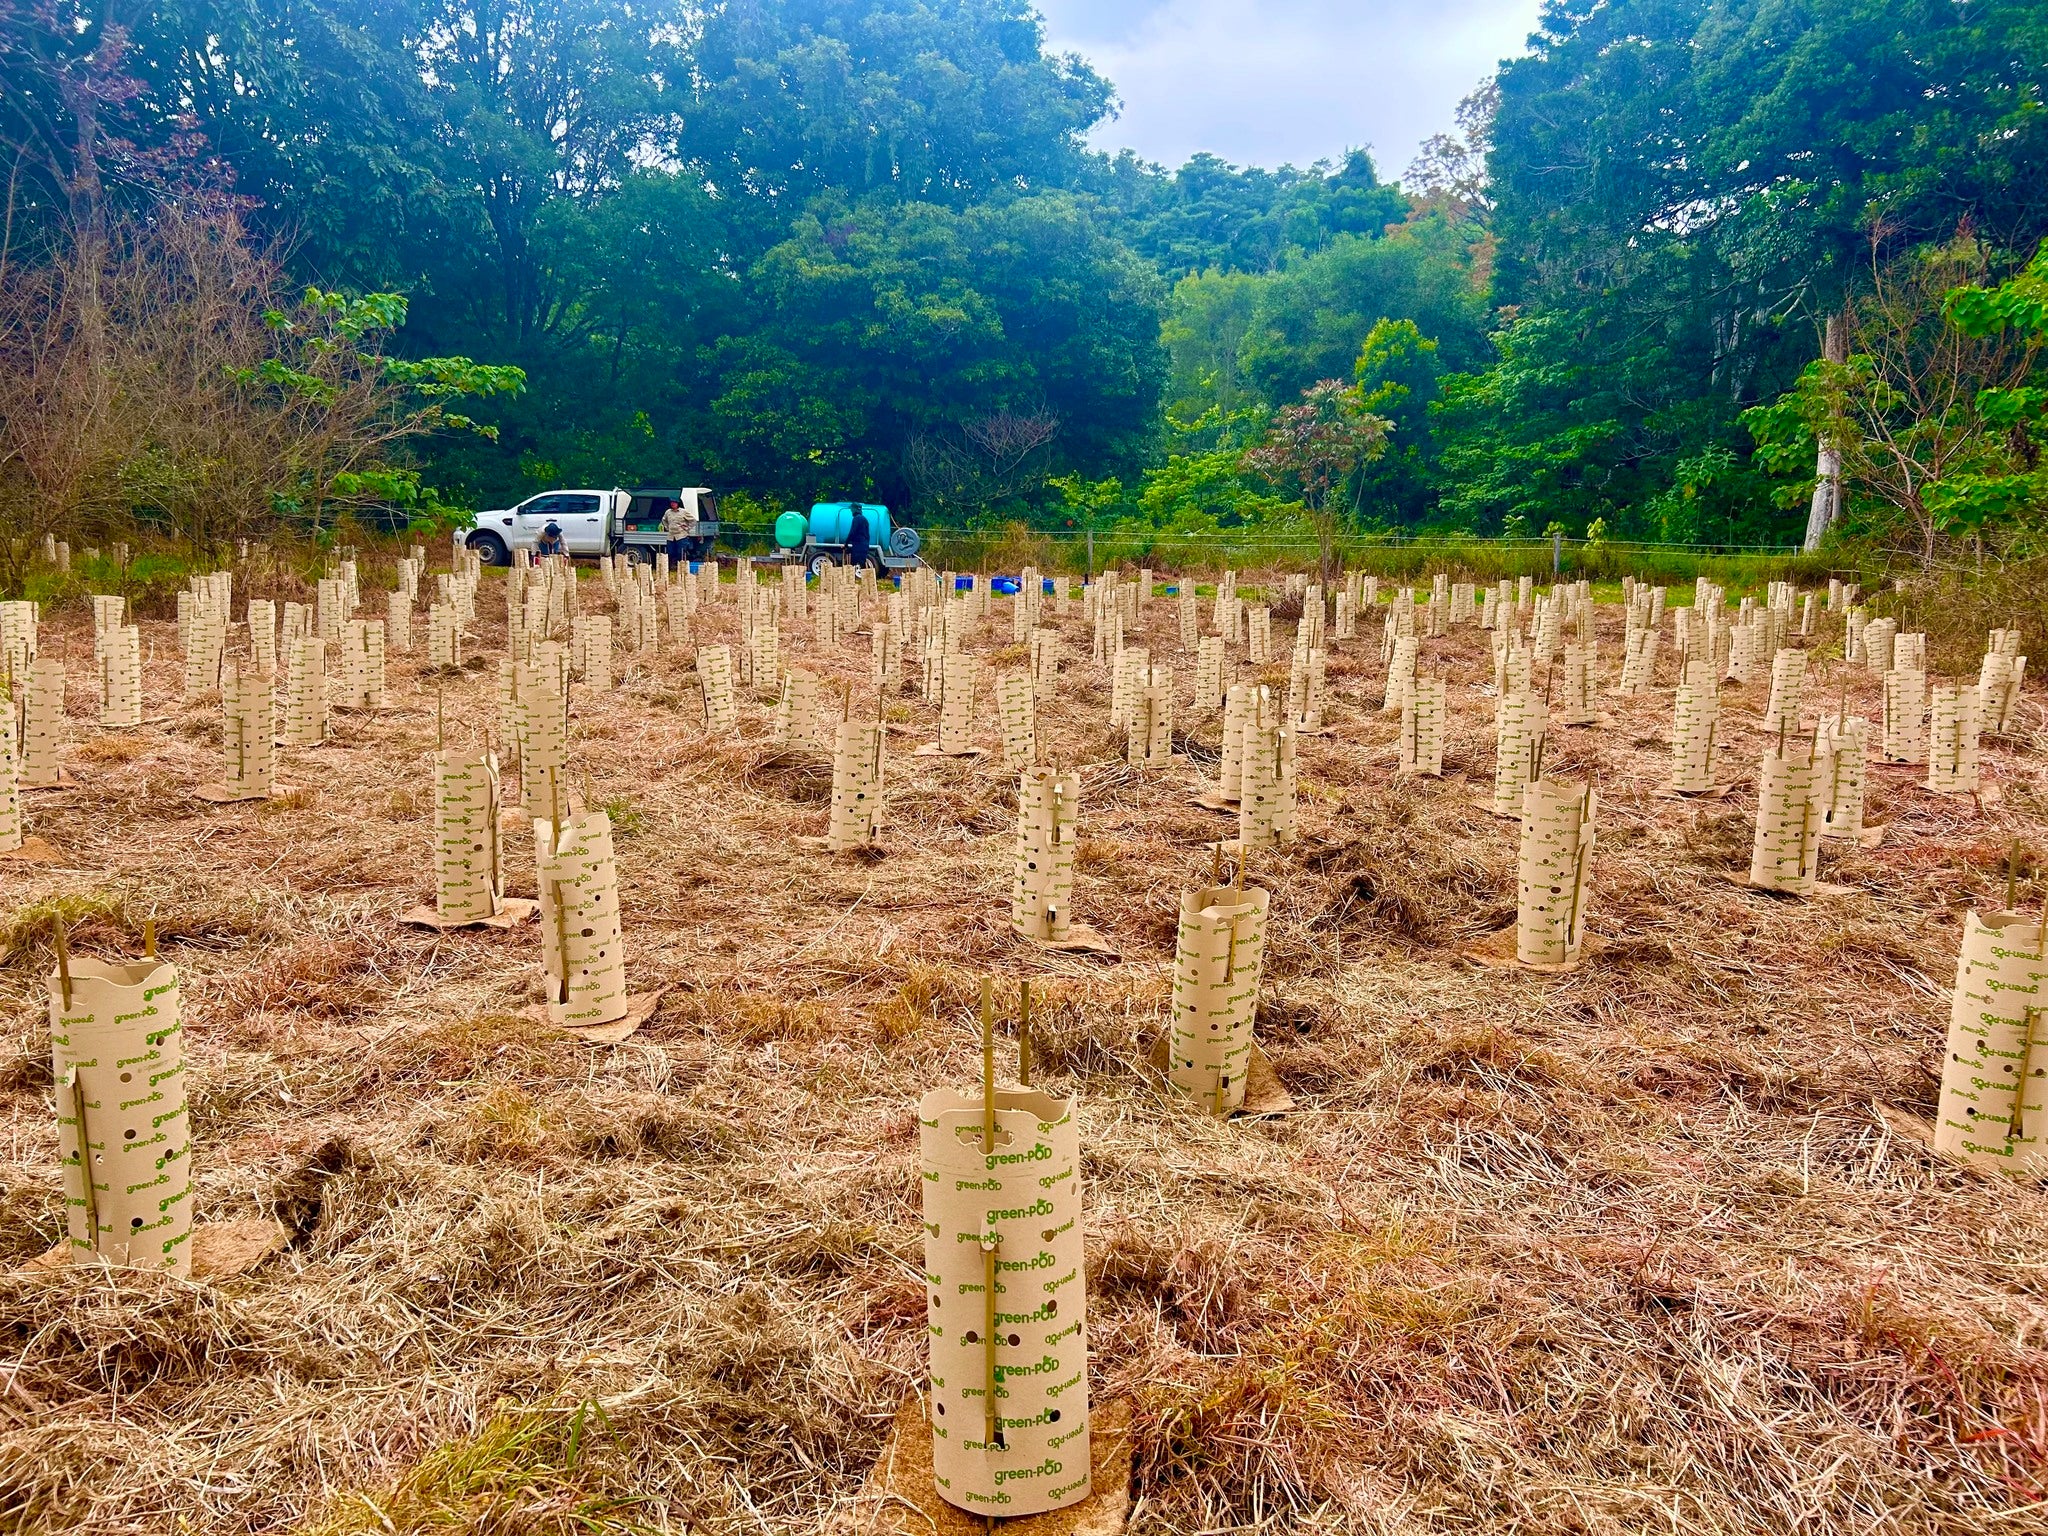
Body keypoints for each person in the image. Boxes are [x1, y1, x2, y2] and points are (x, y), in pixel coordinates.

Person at [662, 496, 695, 567]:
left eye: (674, 503)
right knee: (670, 552)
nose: (673, 504)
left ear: (677, 504)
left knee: (681, 552)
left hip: (681, 535)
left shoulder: (683, 512)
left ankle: (681, 567)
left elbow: (693, 520)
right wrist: (667, 527)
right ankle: (670, 566)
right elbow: (664, 520)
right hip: (671, 536)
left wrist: (687, 528)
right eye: (671, 503)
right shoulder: (668, 512)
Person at [847, 502, 872, 572]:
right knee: (862, 564)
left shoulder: (856, 519)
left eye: (851, 509)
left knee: (853, 563)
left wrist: (846, 544)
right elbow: (867, 534)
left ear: (854, 510)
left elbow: (852, 532)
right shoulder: (865, 519)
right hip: (865, 545)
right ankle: (866, 580)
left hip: (858, 545)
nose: (851, 511)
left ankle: (851, 580)